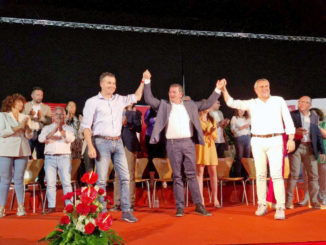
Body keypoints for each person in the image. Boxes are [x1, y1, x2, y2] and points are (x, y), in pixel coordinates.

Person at [144, 69, 224, 217]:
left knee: (192, 175)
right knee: (177, 176)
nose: (171, 94)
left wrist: (218, 89)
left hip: (188, 144)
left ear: (181, 94)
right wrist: (147, 81)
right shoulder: (164, 105)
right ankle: (180, 207)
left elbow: (209, 103)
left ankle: (199, 206)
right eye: (170, 92)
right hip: (172, 144)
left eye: (174, 92)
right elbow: (148, 99)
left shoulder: (191, 105)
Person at [220, 78, 295, 220]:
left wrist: (291, 138)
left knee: (277, 175)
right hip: (257, 140)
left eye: (267, 86)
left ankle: (280, 207)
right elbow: (231, 102)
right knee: (260, 174)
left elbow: (288, 119)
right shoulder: (252, 103)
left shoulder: (278, 100)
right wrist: (224, 90)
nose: (265, 88)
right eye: (261, 86)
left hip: (276, 139)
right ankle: (262, 204)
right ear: (255, 90)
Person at [82, 71, 144, 223]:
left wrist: (143, 81)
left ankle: (126, 211)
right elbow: (86, 127)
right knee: (102, 180)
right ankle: (102, 213)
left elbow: (137, 97)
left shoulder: (119, 99)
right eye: (109, 83)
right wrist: (90, 146)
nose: (112, 86)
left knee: (125, 178)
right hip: (101, 142)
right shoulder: (92, 102)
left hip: (118, 142)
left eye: (114, 83)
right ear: (101, 84)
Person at [0, 93, 38, 217]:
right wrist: (18, 127)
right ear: (11, 103)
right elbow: (2, 132)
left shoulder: (24, 117)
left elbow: (29, 136)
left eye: (22, 102)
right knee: (5, 179)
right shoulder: (3, 116)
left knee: (19, 179)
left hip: (22, 150)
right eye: (19, 101)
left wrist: (27, 129)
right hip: (6, 150)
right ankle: (2, 207)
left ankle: (20, 207)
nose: (21, 104)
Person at [285, 97, 325, 209]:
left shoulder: (314, 117)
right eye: (300, 101)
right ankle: (288, 201)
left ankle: (314, 201)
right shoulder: (292, 115)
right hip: (296, 147)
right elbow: (286, 129)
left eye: (305, 102)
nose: (302, 103)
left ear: (310, 105)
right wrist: (295, 132)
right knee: (294, 175)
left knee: (314, 176)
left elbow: (317, 135)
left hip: (310, 148)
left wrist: (322, 150)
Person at [39, 107, 75, 214]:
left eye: (61, 114)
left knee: (66, 183)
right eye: (57, 114)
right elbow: (41, 139)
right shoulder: (47, 128)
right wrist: (54, 131)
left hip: (64, 157)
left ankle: (69, 206)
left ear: (65, 116)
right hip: (50, 158)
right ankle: (51, 206)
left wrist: (61, 130)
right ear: (53, 116)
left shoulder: (69, 128)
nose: (59, 116)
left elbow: (70, 139)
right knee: (50, 183)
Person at [111, 104, 142, 211]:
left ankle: (130, 203)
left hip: (129, 145)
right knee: (117, 175)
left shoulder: (135, 113)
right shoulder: (115, 112)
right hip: (117, 145)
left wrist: (127, 124)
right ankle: (117, 203)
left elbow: (139, 128)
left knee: (130, 175)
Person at [23, 87, 52, 188]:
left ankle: (41, 180)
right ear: (32, 95)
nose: (40, 97)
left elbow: (49, 121)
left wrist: (41, 118)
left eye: (41, 95)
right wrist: (29, 116)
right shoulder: (26, 106)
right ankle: (26, 180)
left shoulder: (46, 107)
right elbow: (21, 118)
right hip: (28, 134)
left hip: (41, 134)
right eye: (38, 95)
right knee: (26, 158)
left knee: (41, 158)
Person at [196, 107, 220, 208]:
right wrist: (206, 132)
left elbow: (215, 136)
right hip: (201, 147)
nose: (206, 109)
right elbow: (196, 134)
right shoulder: (196, 119)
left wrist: (211, 132)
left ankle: (215, 198)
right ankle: (201, 200)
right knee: (200, 173)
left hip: (210, 147)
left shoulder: (212, 119)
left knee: (213, 173)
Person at [144, 107, 165, 185]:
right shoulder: (149, 111)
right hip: (150, 136)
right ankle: (152, 180)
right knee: (151, 158)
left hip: (161, 137)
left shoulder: (162, 110)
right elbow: (146, 121)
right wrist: (154, 119)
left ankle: (163, 179)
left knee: (161, 158)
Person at [230, 109, 251, 177]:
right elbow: (233, 130)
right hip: (239, 138)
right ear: (237, 111)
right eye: (240, 110)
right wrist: (242, 127)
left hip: (247, 138)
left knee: (247, 158)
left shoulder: (246, 118)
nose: (241, 111)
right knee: (240, 157)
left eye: (242, 110)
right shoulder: (234, 118)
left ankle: (246, 176)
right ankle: (238, 176)